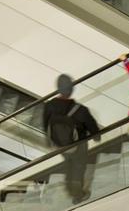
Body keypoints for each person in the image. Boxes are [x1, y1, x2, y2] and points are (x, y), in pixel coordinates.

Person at [43, 74, 101, 203]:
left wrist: (49, 141)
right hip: (78, 145)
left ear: (58, 88)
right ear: (72, 90)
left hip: (60, 145)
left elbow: (45, 123)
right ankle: (77, 194)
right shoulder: (81, 110)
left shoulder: (49, 106)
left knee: (68, 163)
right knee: (79, 167)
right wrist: (96, 136)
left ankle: (68, 186)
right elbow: (92, 127)